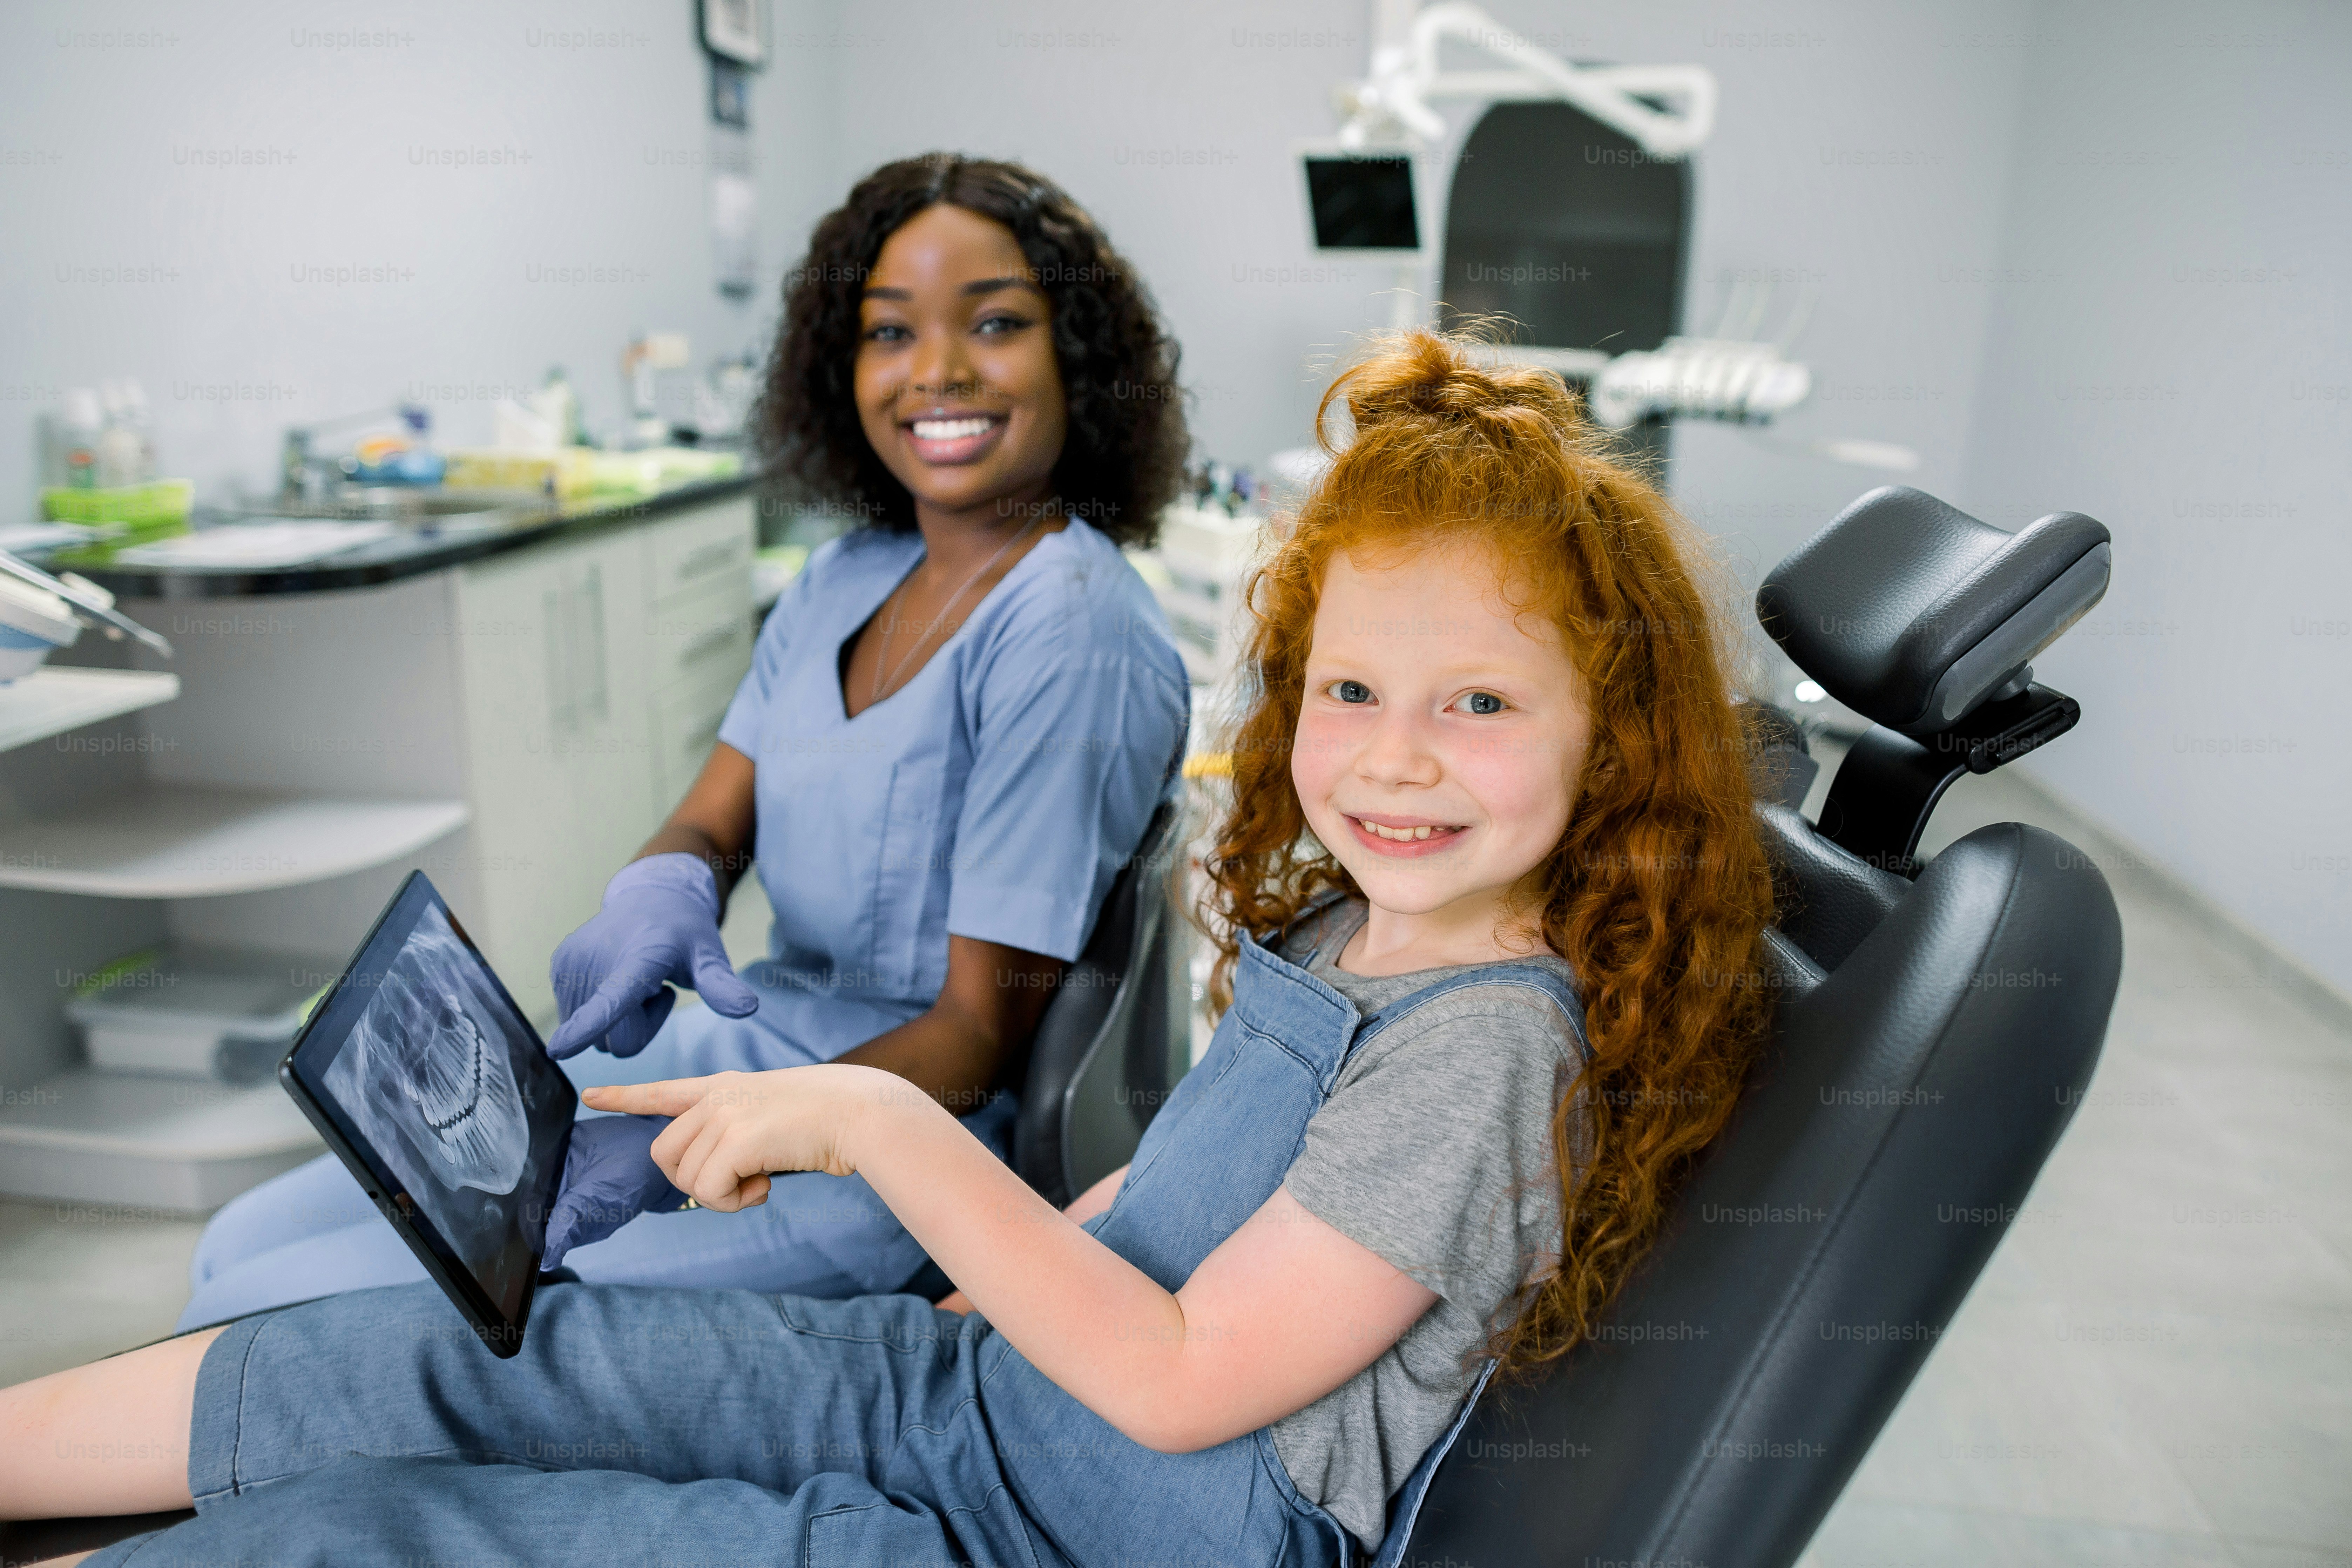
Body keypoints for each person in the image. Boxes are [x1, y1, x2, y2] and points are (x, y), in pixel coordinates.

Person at [1, 330, 1779, 1567]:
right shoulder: (1352, 925)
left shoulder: (1483, 1047)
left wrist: (876, 1131)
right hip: (981, 1398)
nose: (1396, 754)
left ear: (1610, 726)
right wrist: (981, 1263)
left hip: (1075, 1534)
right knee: (443, 1351)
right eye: (1353, 690)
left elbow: (1182, 1378)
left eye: (1478, 701)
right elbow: (1173, 1209)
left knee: (385, 1537)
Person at [170, 154, 1193, 1331]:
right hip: (746, 1052)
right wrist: (661, 888)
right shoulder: (842, 577)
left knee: (261, 1309)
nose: (938, 371)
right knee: (236, 1241)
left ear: (1079, 360)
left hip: (884, 1150)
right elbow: (715, 817)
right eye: (889, 332)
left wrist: (677, 1146)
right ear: (840, 368)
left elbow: (979, 1033)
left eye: (998, 323)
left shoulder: (1070, 630)